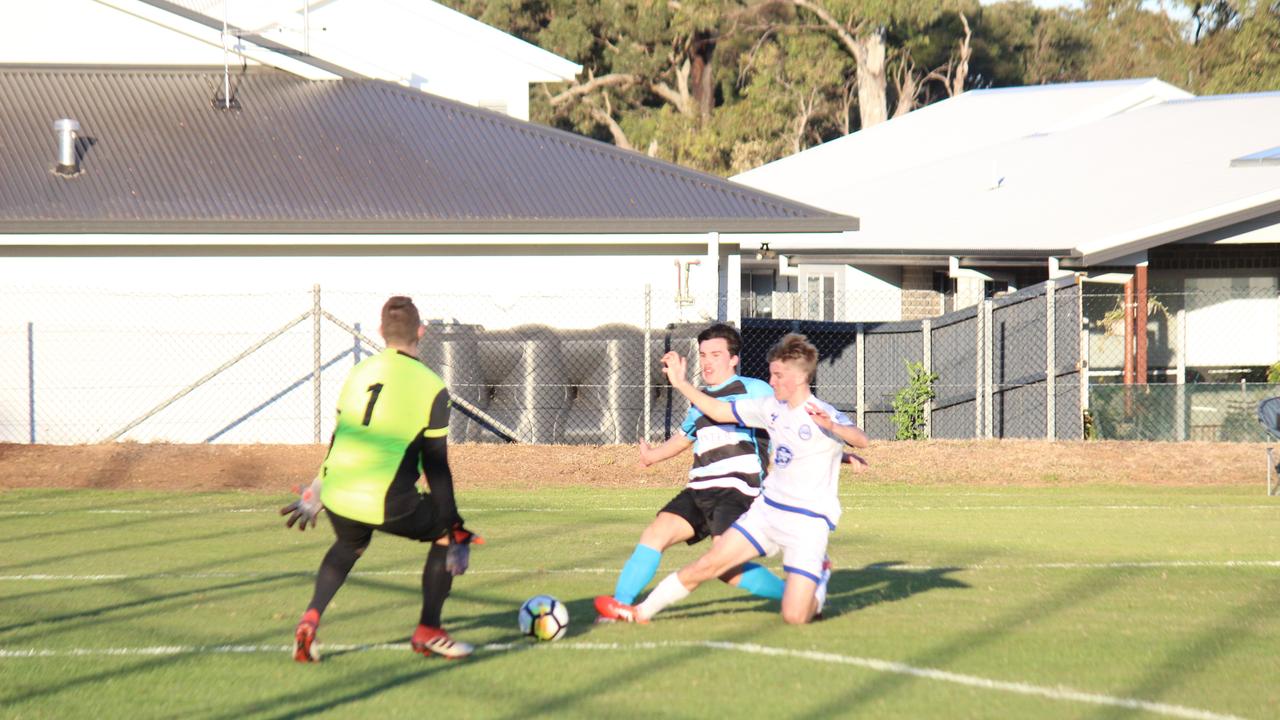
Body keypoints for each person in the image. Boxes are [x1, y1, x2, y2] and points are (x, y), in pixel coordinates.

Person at [614, 333, 869, 625]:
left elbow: (861, 439)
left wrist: (834, 429)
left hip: (801, 518)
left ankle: (817, 583)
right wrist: (681, 385)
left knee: (795, 616)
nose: (771, 382)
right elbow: (719, 413)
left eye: (777, 375)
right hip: (766, 510)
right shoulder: (769, 407)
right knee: (711, 562)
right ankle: (636, 611)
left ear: (798, 378)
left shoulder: (810, 408)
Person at [280, 296, 481, 662]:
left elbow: (340, 437)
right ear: (421, 332)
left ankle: (310, 618)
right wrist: (455, 524)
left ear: (380, 332)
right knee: (445, 537)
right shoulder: (432, 386)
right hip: (384, 498)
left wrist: (316, 490)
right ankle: (429, 631)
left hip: (338, 492)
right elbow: (436, 466)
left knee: (349, 546)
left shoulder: (359, 372)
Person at [594, 323, 786, 623]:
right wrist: (651, 457)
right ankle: (620, 607)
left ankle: (795, 596)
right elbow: (685, 438)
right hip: (699, 489)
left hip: (738, 491)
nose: (707, 361)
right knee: (655, 533)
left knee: (725, 566)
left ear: (734, 359)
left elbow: (785, 422)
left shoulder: (754, 389)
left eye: (716, 354)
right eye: (703, 354)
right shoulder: (700, 401)